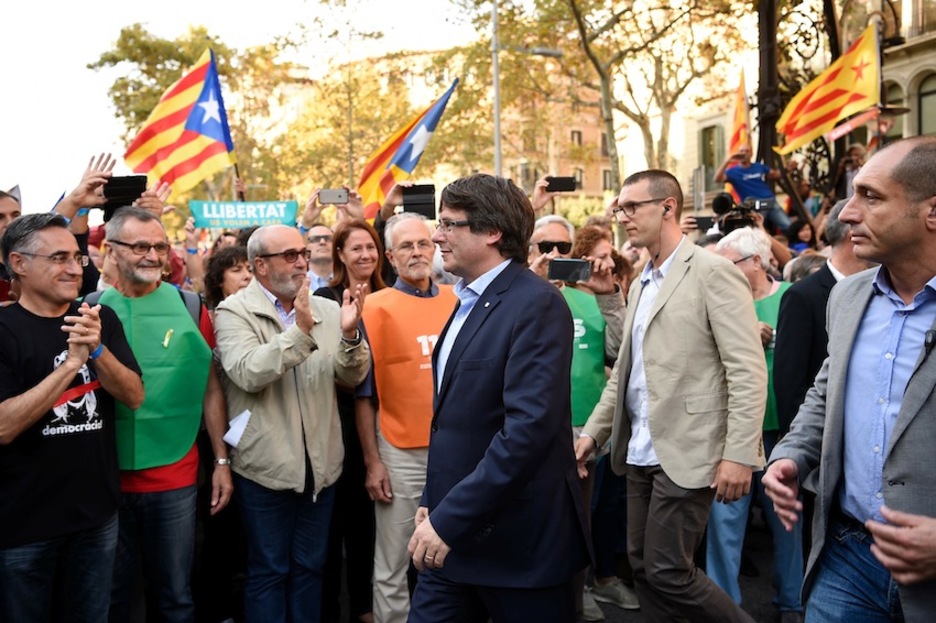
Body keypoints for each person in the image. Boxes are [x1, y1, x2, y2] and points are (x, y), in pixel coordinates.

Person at [574, 169, 767, 623]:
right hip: (639, 449)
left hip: (690, 448)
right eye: (619, 208)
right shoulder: (642, 280)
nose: (623, 216)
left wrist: (739, 453)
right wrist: (593, 434)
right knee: (644, 567)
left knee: (668, 569)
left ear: (667, 207)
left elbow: (747, 369)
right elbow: (626, 374)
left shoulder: (713, 272)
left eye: (632, 206)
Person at [763, 136, 936, 622]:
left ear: (932, 212)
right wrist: (792, 454)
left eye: (871, 197)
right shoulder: (848, 296)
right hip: (845, 555)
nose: (847, 214)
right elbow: (826, 392)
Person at [407, 173, 591, 623]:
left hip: (519, 548)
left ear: (492, 232)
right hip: (454, 540)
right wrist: (435, 498)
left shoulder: (536, 303)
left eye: (449, 224)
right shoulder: (468, 299)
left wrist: (450, 517)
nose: (437, 236)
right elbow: (455, 420)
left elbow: (526, 432)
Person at [214, 224, 371, 623]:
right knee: (269, 571)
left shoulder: (328, 309)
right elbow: (248, 372)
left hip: (321, 467)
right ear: (260, 266)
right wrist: (300, 332)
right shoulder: (233, 311)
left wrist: (350, 336)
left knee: (310, 569)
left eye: (303, 253)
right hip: (264, 468)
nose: (302, 262)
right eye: (289, 255)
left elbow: (351, 377)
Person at [0, 214, 143, 623]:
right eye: (58, 258)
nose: (74, 269)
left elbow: (133, 396)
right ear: (19, 263)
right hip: (23, 527)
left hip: (97, 517)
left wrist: (97, 350)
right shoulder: (5, 330)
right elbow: (4, 427)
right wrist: (70, 365)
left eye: (77, 258)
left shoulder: (98, 318)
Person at [99, 206, 233, 623]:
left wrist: (222, 461)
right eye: (140, 246)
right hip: (106, 481)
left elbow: (211, 388)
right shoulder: (89, 308)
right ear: (110, 250)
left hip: (175, 475)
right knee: (115, 599)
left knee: (175, 596)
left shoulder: (191, 307)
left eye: (159, 246)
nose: (153, 256)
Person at [354, 212, 457, 623]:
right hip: (400, 450)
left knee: (455, 549)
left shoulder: (458, 299)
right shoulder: (373, 307)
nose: (416, 252)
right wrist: (373, 461)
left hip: (456, 449)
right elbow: (365, 397)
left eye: (423, 243)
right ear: (390, 257)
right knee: (393, 560)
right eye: (406, 246)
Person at [707, 227, 804, 623]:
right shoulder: (719, 300)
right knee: (724, 524)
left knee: (787, 521)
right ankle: (722, 608)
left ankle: (792, 602)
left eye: (728, 264)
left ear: (758, 262)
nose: (720, 271)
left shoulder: (791, 298)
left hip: (782, 433)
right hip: (732, 432)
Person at [316, 218, 387, 623]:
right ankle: (332, 608)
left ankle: (365, 605)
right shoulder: (325, 299)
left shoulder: (391, 296)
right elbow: (328, 367)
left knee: (370, 526)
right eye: (356, 248)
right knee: (339, 523)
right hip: (341, 421)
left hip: (389, 420)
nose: (365, 255)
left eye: (370, 246)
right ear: (339, 254)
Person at [714, 144, 791, 234]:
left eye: (747, 151)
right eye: (741, 151)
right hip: (753, 207)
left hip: (769, 202)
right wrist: (728, 161)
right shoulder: (732, 172)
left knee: (788, 226)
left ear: (751, 154)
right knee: (757, 232)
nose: (744, 153)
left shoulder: (759, 167)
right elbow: (717, 179)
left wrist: (788, 168)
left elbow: (775, 174)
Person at [306, 223, 334, 291]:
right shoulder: (298, 283)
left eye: (328, 238)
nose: (322, 242)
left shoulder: (348, 280)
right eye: (315, 239)